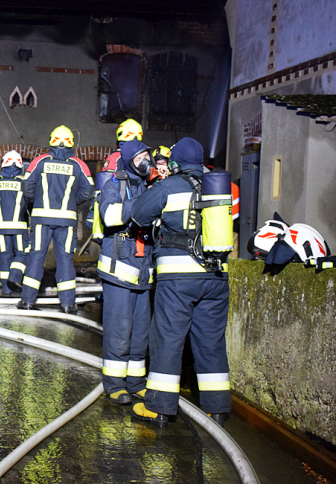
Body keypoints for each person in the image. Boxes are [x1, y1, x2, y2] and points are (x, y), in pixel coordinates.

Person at [129, 137, 231, 427]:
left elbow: (138, 216)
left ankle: (159, 407)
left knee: (168, 339)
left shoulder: (169, 186)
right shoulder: (217, 187)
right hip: (216, 277)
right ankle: (218, 408)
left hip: (179, 278)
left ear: (175, 162)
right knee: (211, 342)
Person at [97, 141, 155, 405]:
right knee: (119, 331)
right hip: (119, 274)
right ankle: (114, 384)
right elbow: (109, 216)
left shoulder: (148, 186)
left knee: (140, 332)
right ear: (130, 159)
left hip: (143, 274)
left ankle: (135, 382)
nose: (145, 161)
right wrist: (143, 203)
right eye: (141, 157)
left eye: (148, 156)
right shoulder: (114, 185)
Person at [18, 125, 95, 313]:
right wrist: (71, 202)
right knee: (65, 260)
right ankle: (68, 304)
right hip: (67, 221)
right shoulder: (79, 164)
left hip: (41, 218)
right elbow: (89, 190)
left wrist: (35, 202)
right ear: (71, 142)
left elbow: (27, 188)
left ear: (51, 140)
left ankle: (27, 301)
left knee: (36, 257)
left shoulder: (40, 161)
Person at [0, 151, 30, 294]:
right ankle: (15, 277)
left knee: (5, 256)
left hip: (1, 228)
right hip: (20, 227)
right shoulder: (24, 182)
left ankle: (6, 289)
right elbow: (31, 203)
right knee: (22, 254)